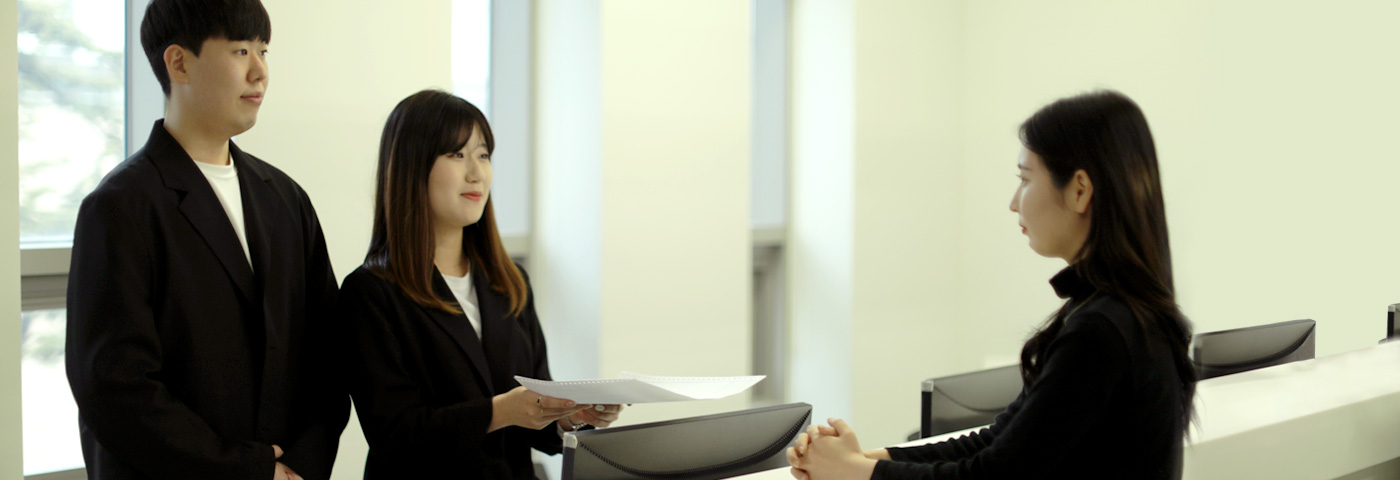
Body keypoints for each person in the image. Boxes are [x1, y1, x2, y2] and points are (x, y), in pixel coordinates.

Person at [786, 90, 1197, 479]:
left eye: (1025, 179)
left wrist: (855, 472)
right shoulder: (1119, 312)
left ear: (1079, 190)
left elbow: (992, 475)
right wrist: (863, 460)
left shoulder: (1100, 331)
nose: (1014, 202)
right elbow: (1000, 442)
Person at [64, 1, 347, 478]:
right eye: (240, 51)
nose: (260, 72)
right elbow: (116, 389)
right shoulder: (120, 206)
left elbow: (330, 356)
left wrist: (301, 465)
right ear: (179, 63)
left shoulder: (285, 199)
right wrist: (251, 470)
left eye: (263, 50)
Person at [337, 89, 624, 478]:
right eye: (457, 154)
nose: (476, 173)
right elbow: (395, 434)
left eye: (484, 154)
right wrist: (499, 411)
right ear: (411, 165)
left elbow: (536, 413)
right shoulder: (371, 293)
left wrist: (571, 416)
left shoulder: (509, 283)